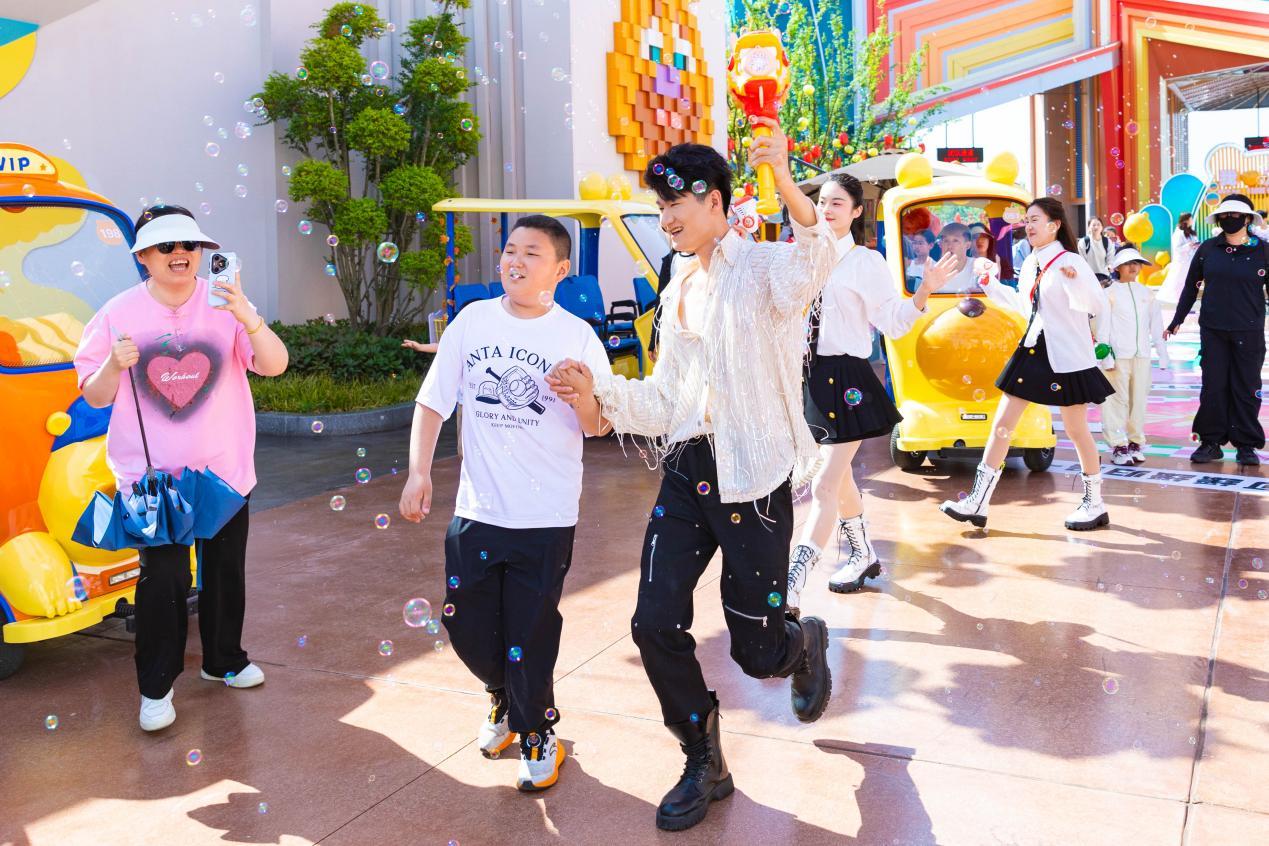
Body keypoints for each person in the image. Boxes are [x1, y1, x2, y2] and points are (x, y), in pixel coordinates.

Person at [546, 127, 836, 832]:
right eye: (660, 205)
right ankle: (702, 757)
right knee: (652, 623)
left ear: (714, 201)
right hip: (686, 470)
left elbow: (817, 255)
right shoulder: (676, 283)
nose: (666, 216)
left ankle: (801, 644)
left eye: (675, 201)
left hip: (752, 479)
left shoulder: (763, 267)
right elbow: (666, 396)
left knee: (756, 653)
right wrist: (599, 392)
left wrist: (784, 179)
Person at [398, 215, 611, 793]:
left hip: (546, 516)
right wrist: (419, 472)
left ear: (560, 270)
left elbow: (599, 425)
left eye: (531, 253)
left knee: (530, 630)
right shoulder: (473, 321)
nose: (515, 260)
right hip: (478, 509)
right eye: (510, 249)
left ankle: (537, 731)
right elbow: (432, 402)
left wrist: (582, 397)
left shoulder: (578, 338)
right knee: (464, 622)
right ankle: (505, 697)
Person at [74, 204, 289, 731]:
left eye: (190, 245)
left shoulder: (226, 304)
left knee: (225, 570)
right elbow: (95, 395)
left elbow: (275, 365)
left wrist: (248, 315)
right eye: (166, 246)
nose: (180, 254)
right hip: (153, 482)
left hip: (223, 471)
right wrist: (113, 365)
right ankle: (156, 689)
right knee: (164, 579)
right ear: (144, 257)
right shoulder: (116, 313)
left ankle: (224, 661)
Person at [787, 173, 958, 606]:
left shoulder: (865, 262)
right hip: (810, 376)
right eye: (822, 201)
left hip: (848, 379)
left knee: (824, 484)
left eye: (837, 203)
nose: (826, 210)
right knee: (839, 476)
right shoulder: (805, 256)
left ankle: (792, 583)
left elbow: (893, 321)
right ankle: (862, 553)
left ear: (857, 211)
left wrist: (924, 291)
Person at [939, 197, 1112, 531]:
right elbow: (1023, 306)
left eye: (1036, 220)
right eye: (1027, 220)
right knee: (1002, 424)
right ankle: (977, 501)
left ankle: (1094, 504)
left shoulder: (1070, 260)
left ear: (1054, 225)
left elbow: (1096, 304)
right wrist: (990, 285)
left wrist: (1075, 280)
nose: (1029, 226)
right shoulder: (1032, 261)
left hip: (1068, 355)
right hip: (1034, 348)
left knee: (1076, 430)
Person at [1165, 194, 1268, 466]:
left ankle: (1246, 445)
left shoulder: (1263, 251)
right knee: (1213, 386)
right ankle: (1210, 442)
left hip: (1249, 331)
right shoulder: (1208, 249)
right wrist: (1177, 319)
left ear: (1247, 219)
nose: (1228, 219)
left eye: (1235, 215)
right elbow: (1191, 286)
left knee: (1247, 387)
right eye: (1224, 215)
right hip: (1213, 330)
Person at [1096, 248, 1172, 465]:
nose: (1133, 267)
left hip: (1142, 356)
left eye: (1137, 263)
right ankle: (1118, 446)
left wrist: (1162, 354)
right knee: (1115, 401)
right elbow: (1102, 327)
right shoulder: (1108, 294)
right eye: (1128, 263)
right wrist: (1106, 357)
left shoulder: (1148, 294)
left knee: (1138, 401)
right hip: (1117, 357)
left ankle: (1135, 443)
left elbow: (1156, 326)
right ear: (1118, 267)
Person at [1157, 213, 1199, 308]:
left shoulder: (1191, 232)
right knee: (1178, 280)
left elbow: (1194, 244)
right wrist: (1188, 245)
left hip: (1190, 261)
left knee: (1188, 280)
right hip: (1181, 262)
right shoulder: (1179, 233)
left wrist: (1195, 246)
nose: (1192, 220)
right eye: (1191, 219)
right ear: (1186, 220)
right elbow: (1177, 248)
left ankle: (1186, 299)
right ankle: (1178, 299)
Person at [929, 222, 977, 293]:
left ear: (967, 245)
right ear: (941, 244)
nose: (949, 246)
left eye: (955, 241)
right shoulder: (932, 270)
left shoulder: (978, 267)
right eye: (946, 241)